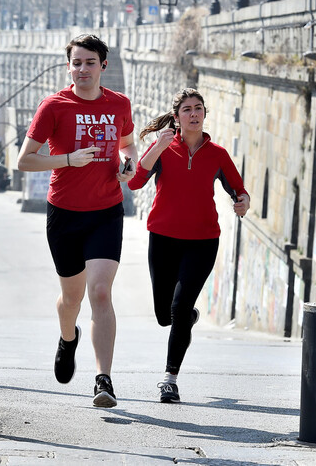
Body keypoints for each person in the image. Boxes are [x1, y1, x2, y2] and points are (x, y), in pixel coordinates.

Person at [17, 34, 137, 408]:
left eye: (90, 62)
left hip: (105, 212)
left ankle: (104, 379)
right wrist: (67, 160)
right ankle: (68, 338)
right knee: (72, 298)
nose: (82, 69)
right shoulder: (54, 106)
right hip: (65, 213)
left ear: (103, 66)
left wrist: (128, 163)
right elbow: (25, 160)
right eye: (76, 63)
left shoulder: (119, 104)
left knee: (100, 292)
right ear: (68, 67)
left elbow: (127, 144)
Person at [127, 88, 250, 403]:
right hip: (164, 238)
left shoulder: (218, 154)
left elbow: (238, 188)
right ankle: (186, 317)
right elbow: (135, 181)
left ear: (204, 114)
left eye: (198, 108)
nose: (194, 114)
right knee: (163, 314)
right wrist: (158, 146)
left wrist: (243, 201)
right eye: (187, 109)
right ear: (177, 117)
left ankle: (170, 378)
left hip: (203, 240)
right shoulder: (164, 149)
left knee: (179, 309)